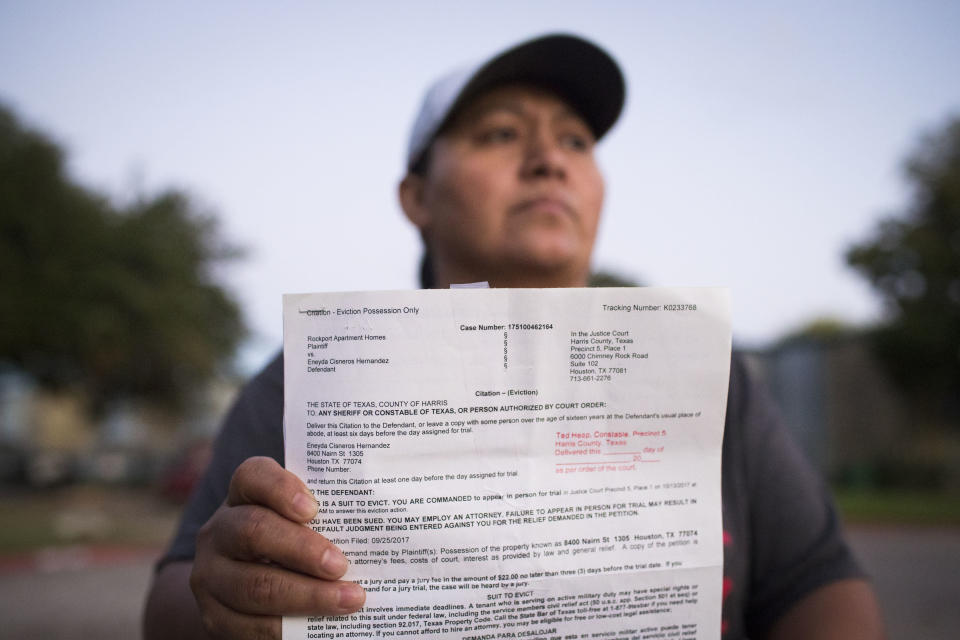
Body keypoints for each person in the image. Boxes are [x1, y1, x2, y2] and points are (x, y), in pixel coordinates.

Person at [144, 34, 885, 640]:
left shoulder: (710, 378)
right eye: (501, 132)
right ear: (416, 197)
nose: (550, 160)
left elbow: (818, 583)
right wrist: (223, 595)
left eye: (576, 139)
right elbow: (172, 599)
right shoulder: (308, 378)